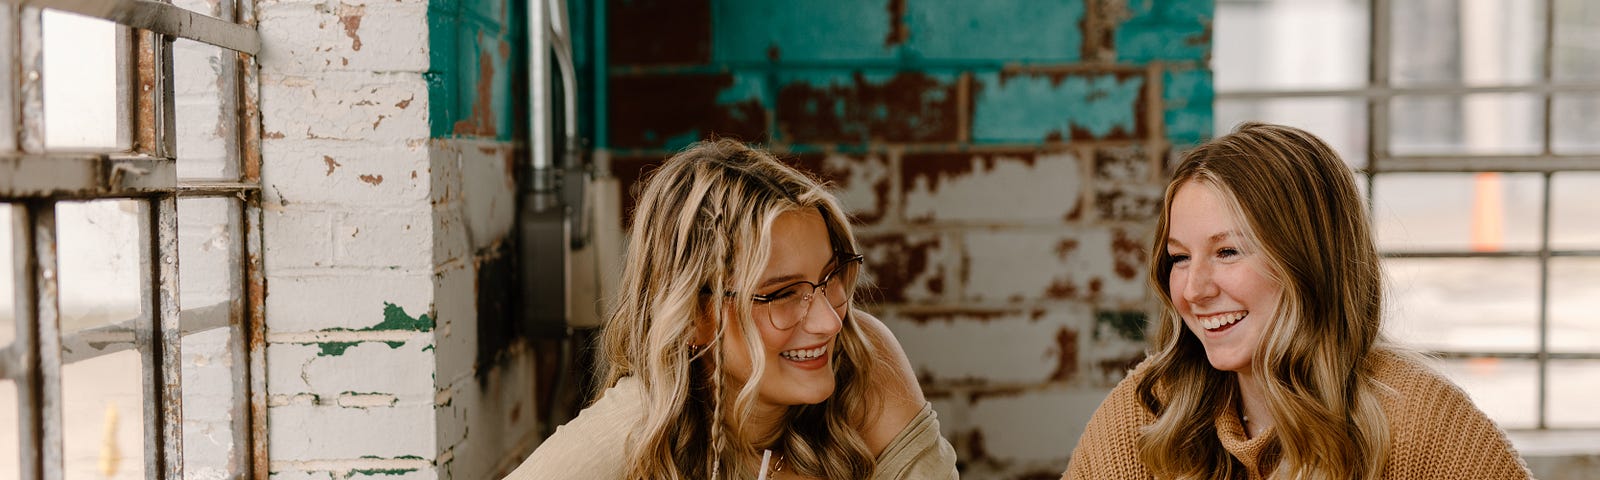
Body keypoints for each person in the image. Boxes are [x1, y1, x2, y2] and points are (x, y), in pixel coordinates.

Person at [1063, 123, 1531, 479]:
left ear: (1309, 262)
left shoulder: (1418, 418)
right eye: (1180, 258)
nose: (1193, 290)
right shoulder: (1151, 404)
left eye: (1228, 252)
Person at [506, 139, 958, 480]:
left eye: (830, 276)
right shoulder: (633, 431)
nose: (828, 320)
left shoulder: (862, 358)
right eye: (781, 294)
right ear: (690, 316)